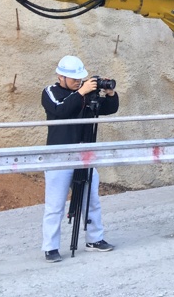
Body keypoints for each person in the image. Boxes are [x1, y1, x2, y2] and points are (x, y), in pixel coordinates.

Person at [41, 55, 119, 262]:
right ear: (60, 76)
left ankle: (95, 239)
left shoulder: (85, 93)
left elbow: (109, 108)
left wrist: (110, 93)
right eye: (74, 78)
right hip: (59, 156)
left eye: (80, 78)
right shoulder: (50, 92)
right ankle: (50, 248)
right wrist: (81, 92)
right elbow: (60, 110)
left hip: (84, 155)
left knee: (92, 201)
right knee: (55, 206)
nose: (78, 81)